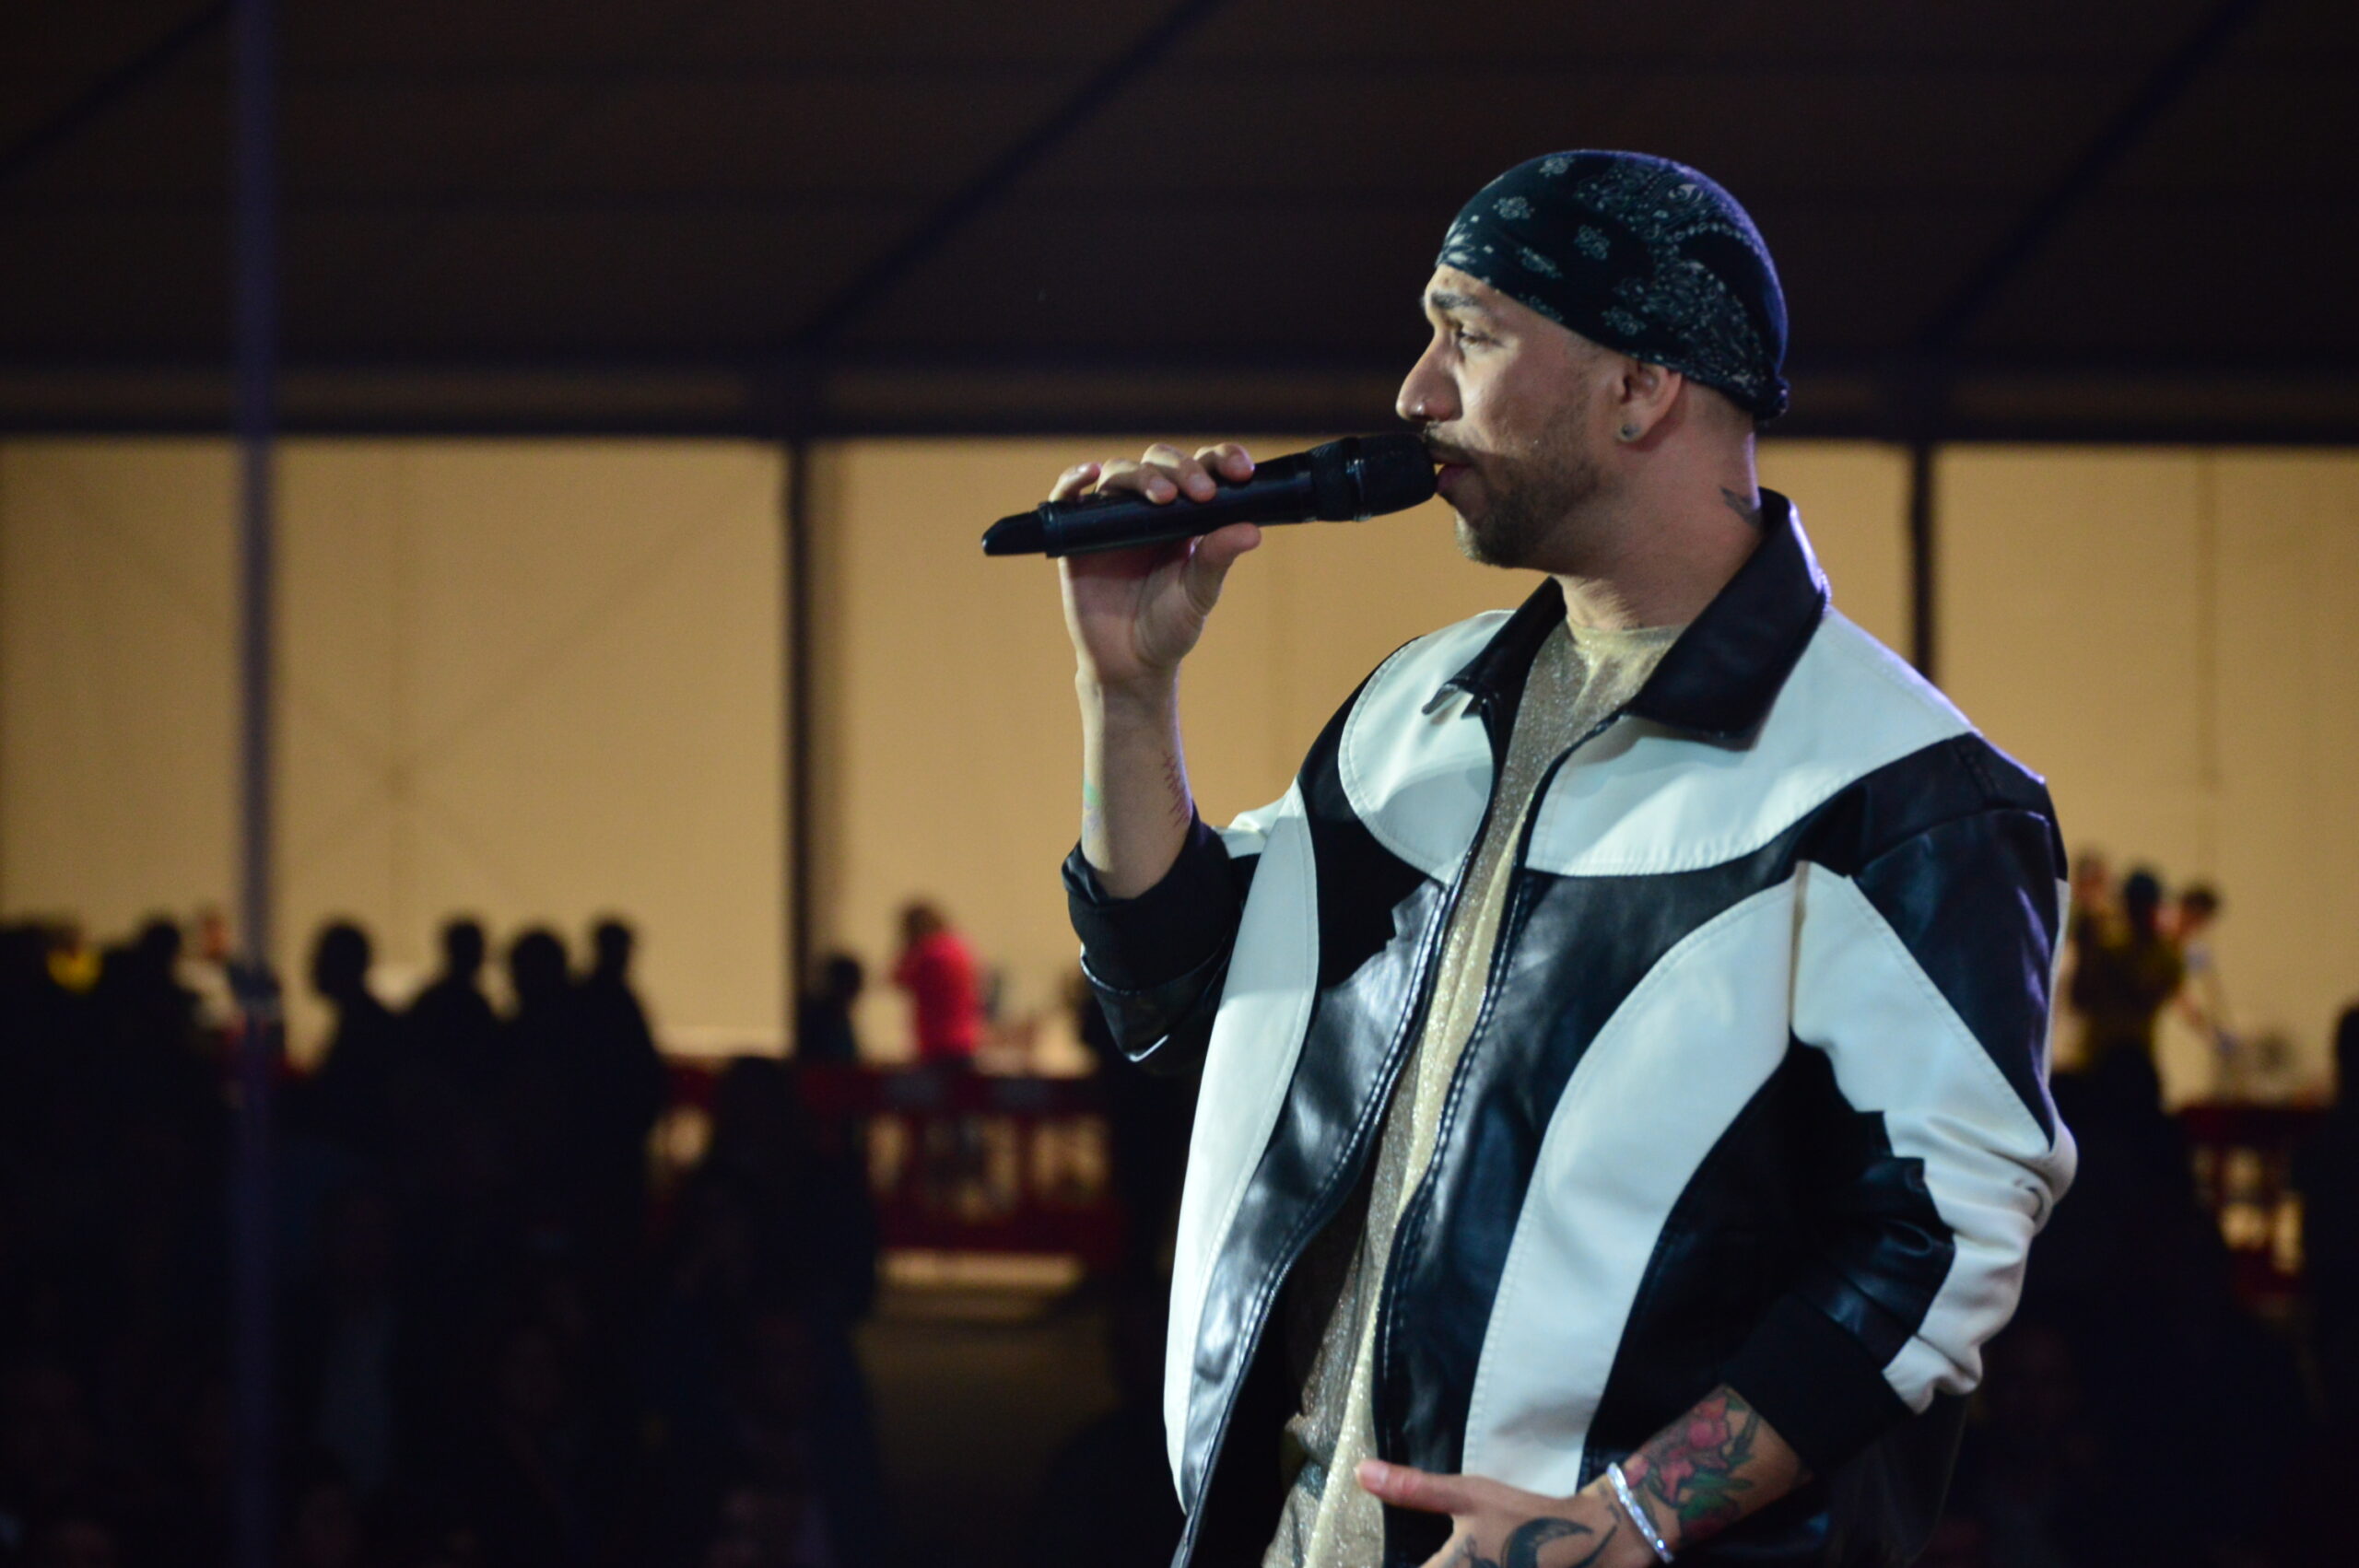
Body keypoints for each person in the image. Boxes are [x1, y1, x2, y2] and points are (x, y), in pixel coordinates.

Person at [1049, 151, 2075, 1568]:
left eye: (1467, 332)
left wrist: (1636, 1514)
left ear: (1641, 386)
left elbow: (1943, 1243)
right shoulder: (1418, 705)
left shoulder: (1899, 796)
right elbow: (1176, 994)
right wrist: (1127, 693)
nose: (1414, 391)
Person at [2068, 867, 2182, 1072]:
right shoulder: (2110, 949)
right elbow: (2080, 998)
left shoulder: (2163, 956)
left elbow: (2145, 994)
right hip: (2100, 1059)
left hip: (2132, 1058)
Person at [888, 902, 981, 1065]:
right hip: (964, 1037)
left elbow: (898, 978)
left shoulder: (928, 956)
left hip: (937, 1040)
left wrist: (908, 951)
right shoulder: (959, 949)